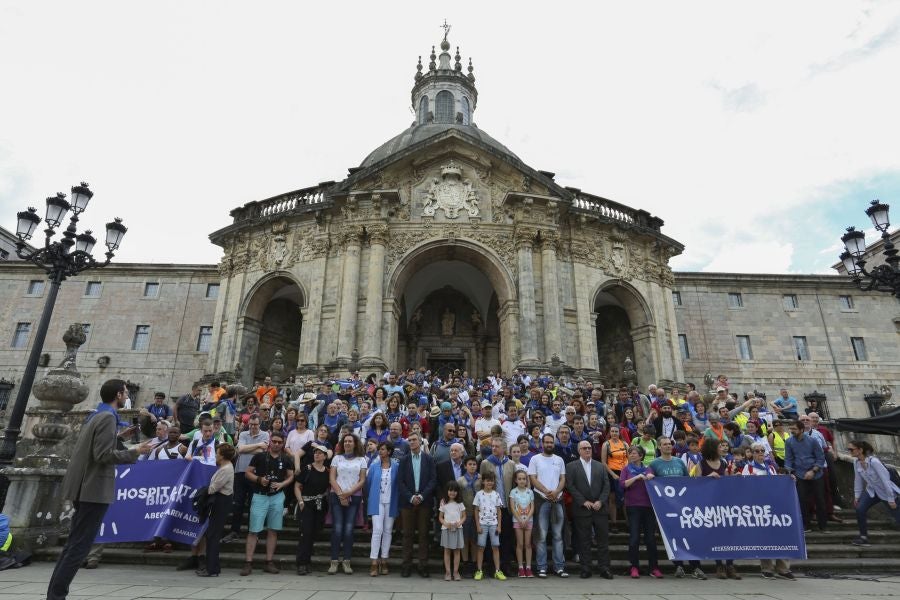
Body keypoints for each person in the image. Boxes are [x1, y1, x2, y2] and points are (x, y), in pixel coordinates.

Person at [47, 379, 154, 600]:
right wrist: (135, 450)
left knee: (73, 545)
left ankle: (55, 595)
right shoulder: (107, 418)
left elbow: (97, 447)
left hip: (85, 487)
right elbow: (102, 456)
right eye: (125, 392)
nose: (127, 396)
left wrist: (118, 438)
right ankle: (56, 596)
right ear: (118, 395)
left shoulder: (98, 414)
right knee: (79, 548)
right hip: (93, 489)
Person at [648, 437, 703, 579]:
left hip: (682, 506)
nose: (668, 446)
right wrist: (649, 475)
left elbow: (686, 482)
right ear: (659, 447)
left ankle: (696, 567)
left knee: (689, 536)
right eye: (664, 444)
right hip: (665, 509)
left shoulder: (679, 462)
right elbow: (650, 480)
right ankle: (678, 566)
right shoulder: (654, 464)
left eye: (669, 444)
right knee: (672, 537)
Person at [241, 431, 294, 576]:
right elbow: (248, 472)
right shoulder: (259, 456)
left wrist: (282, 484)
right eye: (274, 441)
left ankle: (269, 561)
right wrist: (259, 479)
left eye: (279, 442)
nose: (276, 444)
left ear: (283, 444)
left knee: (273, 530)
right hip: (260, 495)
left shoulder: (287, 458)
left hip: (277, 496)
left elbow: (291, 476)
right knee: (253, 530)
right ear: (270, 441)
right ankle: (248, 562)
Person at [739, 442, 795, 580]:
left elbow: (777, 485)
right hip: (759, 508)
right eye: (757, 451)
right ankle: (767, 567)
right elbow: (743, 487)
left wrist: (788, 479)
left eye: (762, 450)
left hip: (774, 506)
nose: (760, 453)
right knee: (764, 538)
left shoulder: (770, 467)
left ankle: (783, 568)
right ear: (752, 453)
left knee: (781, 537)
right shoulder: (748, 468)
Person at [691, 438, 741, 579]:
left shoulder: (724, 463)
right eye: (720, 446)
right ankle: (719, 565)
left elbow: (726, 482)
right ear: (713, 448)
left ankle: (730, 565)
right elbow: (696, 484)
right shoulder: (701, 464)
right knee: (716, 535)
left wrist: (733, 476)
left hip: (724, 503)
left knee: (729, 535)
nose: (723, 448)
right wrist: (708, 477)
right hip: (709, 505)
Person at [566, 440, 613, 579]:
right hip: (582, 509)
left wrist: (601, 501)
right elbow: (570, 486)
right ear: (579, 450)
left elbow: (606, 485)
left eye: (589, 448)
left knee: (603, 540)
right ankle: (586, 568)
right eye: (584, 448)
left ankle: (604, 568)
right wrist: (583, 501)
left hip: (600, 508)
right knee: (584, 540)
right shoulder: (571, 466)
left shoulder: (600, 466)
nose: (587, 450)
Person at [223, 415, 269, 544]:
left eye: (256, 424)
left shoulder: (265, 434)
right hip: (240, 473)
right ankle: (234, 531)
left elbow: (262, 451)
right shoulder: (243, 433)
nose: (254, 427)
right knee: (238, 503)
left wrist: (248, 448)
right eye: (252, 424)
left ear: (259, 424)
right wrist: (257, 445)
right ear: (248, 424)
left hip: (256, 474)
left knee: (254, 505)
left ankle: (253, 532)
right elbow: (240, 449)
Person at [527, 433, 568, 578]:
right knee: (542, 536)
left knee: (558, 535)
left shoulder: (559, 460)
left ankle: (559, 567)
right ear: (542, 444)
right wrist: (546, 491)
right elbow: (532, 478)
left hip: (557, 500)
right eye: (547, 442)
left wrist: (556, 491)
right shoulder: (535, 459)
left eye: (551, 442)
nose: (549, 444)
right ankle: (541, 567)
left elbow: (563, 478)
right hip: (541, 499)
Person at [397, 431, 437, 578]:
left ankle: (423, 565)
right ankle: (406, 565)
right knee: (407, 535)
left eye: (414, 440)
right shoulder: (404, 460)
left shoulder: (428, 459)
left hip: (424, 502)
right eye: (410, 440)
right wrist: (410, 497)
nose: (412, 442)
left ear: (420, 442)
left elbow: (433, 480)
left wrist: (421, 496)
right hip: (408, 503)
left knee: (423, 535)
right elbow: (400, 482)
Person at [848, 440, 900, 547]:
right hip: (872, 491)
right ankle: (863, 537)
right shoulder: (856, 462)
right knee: (860, 509)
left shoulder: (874, 462)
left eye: (851, 449)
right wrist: (857, 496)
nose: (850, 451)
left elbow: (886, 480)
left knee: (897, 516)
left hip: (886, 492)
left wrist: (891, 498)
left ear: (860, 450)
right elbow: (857, 480)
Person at [328, 433, 367, 574]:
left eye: (350, 441)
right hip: (337, 496)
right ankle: (333, 561)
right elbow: (332, 478)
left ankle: (346, 561)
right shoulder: (337, 458)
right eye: (345, 441)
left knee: (349, 529)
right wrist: (340, 494)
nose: (348, 443)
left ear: (355, 443)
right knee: (337, 528)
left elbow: (362, 480)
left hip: (354, 497)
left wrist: (348, 493)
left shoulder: (362, 460)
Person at [621, 446, 662, 579]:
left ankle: (654, 567)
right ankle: (634, 566)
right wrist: (637, 477)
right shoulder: (626, 469)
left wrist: (651, 477)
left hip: (648, 506)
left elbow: (654, 481)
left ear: (641, 456)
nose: (632, 455)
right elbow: (623, 484)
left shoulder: (648, 468)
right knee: (634, 538)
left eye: (634, 453)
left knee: (650, 538)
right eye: (630, 453)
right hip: (633, 506)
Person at [197, 443, 236, 577]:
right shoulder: (224, 467)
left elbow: (213, 488)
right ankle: (213, 566)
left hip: (221, 501)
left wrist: (202, 492)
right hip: (221, 501)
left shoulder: (226, 469)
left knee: (213, 535)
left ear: (223, 456)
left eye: (218, 453)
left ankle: (212, 568)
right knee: (212, 534)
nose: (216, 455)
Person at [784, 419, 827, 532]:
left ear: (802, 429)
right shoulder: (788, 441)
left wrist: (813, 471)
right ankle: (806, 525)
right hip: (799, 474)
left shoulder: (812, 441)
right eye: (791, 429)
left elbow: (820, 457)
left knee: (820, 500)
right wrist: (789, 471)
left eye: (794, 429)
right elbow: (788, 459)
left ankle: (823, 526)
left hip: (816, 474)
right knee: (802, 500)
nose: (792, 431)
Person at [294, 443, 330, 575]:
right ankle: (301, 563)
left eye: (320, 453)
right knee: (305, 533)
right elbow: (297, 486)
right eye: (315, 452)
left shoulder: (328, 471)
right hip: (307, 504)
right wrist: (301, 501)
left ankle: (307, 561)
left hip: (320, 506)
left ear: (325, 456)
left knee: (314, 533)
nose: (317, 454)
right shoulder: (307, 468)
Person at [366, 440, 399, 576]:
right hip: (377, 501)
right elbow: (368, 484)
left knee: (387, 531)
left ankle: (384, 559)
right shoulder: (374, 466)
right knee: (377, 530)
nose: (380, 451)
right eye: (380, 449)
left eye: (383, 449)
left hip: (391, 502)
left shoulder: (396, 466)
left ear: (389, 452)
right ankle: (374, 561)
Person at [472, 472, 506, 581]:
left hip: (493, 524)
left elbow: (499, 511)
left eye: (491, 480)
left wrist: (499, 525)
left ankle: (497, 570)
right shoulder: (479, 494)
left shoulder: (496, 494)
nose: (489, 482)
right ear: (483, 482)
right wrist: (477, 525)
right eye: (487, 480)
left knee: (495, 546)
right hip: (482, 524)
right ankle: (479, 570)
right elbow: (476, 511)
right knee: (481, 547)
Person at [456, 455, 481, 576]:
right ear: (465, 466)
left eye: (474, 464)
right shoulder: (460, 480)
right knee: (465, 539)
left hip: (477, 513)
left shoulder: (480, 479)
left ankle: (474, 563)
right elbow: (457, 497)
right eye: (470, 464)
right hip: (465, 513)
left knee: (475, 540)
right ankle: (465, 563)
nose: (472, 466)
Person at [509, 469, 535, 578]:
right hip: (517, 520)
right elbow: (512, 507)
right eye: (519, 479)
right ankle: (520, 568)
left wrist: (527, 518)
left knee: (528, 544)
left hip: (528, 520)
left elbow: (532, 507)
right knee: (520, 544)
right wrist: (520, 519)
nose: (522, 481)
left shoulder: (530, 492)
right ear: (516, 480)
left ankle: (528, 567)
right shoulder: (513, 492)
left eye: (524, 479)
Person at [439, 480, 466, 581]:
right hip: (446, 529)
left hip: (457, 529)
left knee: (457, 551)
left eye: (455, 491)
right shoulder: (443, 502)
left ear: (458, 492)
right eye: (450, 490)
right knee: (447, 551)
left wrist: (460, 522)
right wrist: (445, 523)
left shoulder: (460, 503)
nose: (452, 493)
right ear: (447, 491)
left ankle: (456, 571)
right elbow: (440, 517)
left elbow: (464, 516)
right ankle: (447, 572)